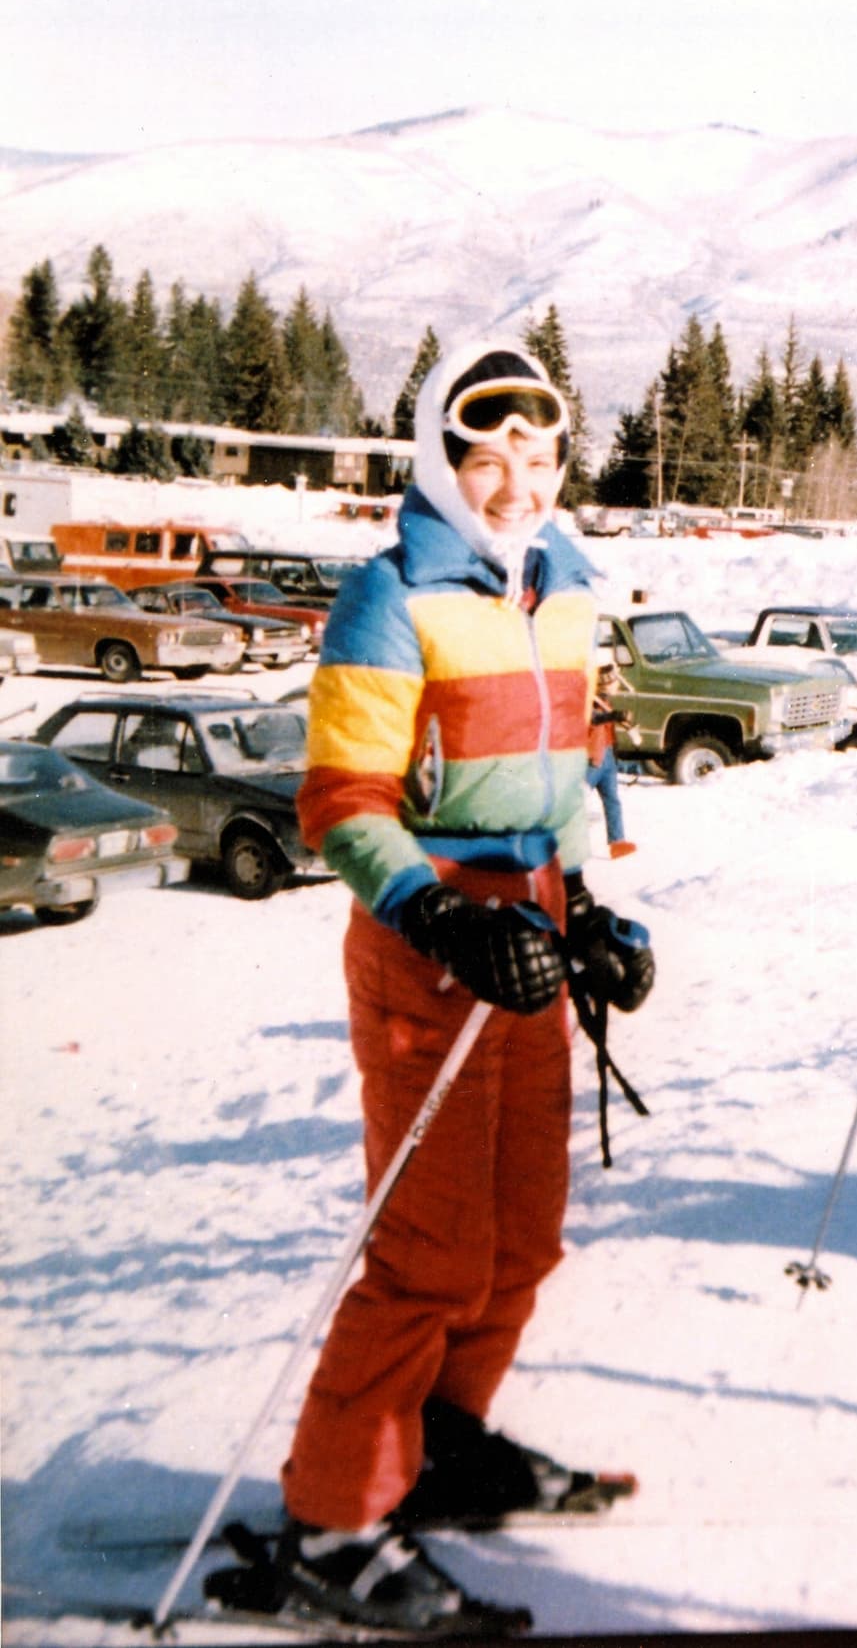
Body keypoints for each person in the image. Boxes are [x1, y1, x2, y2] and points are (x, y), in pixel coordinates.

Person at [274, 338, 656, 1632]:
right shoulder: (390, 593)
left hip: (533, 931)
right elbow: (343, 802)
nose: (513, 483)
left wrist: (591, 904)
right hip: (429, 943)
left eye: (538, 457)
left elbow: (579, 767)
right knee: (431, 1252)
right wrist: (439, 909)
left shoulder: (566, 588)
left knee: (521, 1235)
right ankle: (333, 1522)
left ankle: (439, 1438)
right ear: (442, 456)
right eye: (486, 456)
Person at [587, 660, 637, 858]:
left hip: (606, 756)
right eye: (615, 681)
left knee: (612, 800)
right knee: (577, 802)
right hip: (594, 759)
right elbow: (592, 718)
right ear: (605, 683)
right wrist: (613, 716)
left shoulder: (604, 701)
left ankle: (618, 842)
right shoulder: (591, 701)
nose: (617, 685)